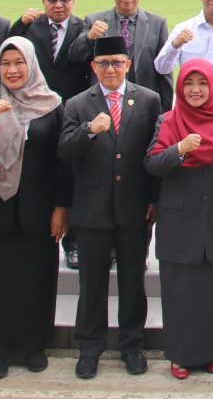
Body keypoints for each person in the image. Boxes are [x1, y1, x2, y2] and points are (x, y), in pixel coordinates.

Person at [0, 38, 68, 378]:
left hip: (38, 208)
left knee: (36, 279)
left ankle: (34, 345)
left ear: (31, 64)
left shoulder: (51, 105)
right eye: (6, 64)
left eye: (19, 62)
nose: (13, 70)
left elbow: (62, 162)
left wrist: (62, 207)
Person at [58, 36, 163, 380]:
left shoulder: (148, 100)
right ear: (93, 67)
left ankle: (132, 345)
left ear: (128, 64)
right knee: (92, 284)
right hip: (92, 209)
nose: (111, 69)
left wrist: (154, 199)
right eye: (103, 63)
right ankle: (90, 347)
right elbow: (65, 152)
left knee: (133, 281)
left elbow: (153, 151)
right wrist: (89, 130)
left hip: (133, 208)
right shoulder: (76, 105)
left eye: (118, 62)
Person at [146, 60, 213, 380]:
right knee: (180, 292)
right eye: (188, 83)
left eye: (202, 83)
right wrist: (178, 149)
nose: (195, 90)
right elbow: (151, 164)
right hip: (180, 221)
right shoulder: (168, 119)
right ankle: (180, 355)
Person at [71, 0, 174, 114]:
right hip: (103, 105)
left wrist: (165, 112)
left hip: (144, 104)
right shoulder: (94, 20)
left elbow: (164, 71)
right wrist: (89, 37)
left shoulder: (157, 24)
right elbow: (75, 55)